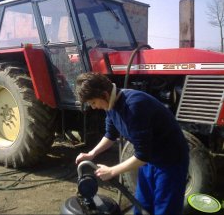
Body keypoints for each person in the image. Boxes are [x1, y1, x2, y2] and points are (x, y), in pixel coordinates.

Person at [75, 72, 189, 215]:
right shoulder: (111, 105)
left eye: (93, 102)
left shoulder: (134, 106)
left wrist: (112, 171)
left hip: (170, 161)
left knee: (164, 208)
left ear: (104, 94)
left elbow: (142, 155)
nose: (93, 107)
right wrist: (92, 154)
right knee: (142, 205)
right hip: (150, 160)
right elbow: (110, 135)